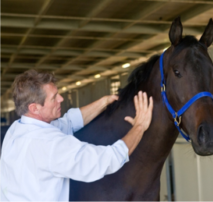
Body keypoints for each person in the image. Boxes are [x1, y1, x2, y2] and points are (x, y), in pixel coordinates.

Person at [0, 69, 153, 202]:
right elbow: (106, 160)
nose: (61, 99)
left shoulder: (17, 128)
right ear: (34, 108)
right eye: (54, 97)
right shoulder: (50, 144)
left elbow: (69, 123)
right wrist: (140, 126)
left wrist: (104, 102)